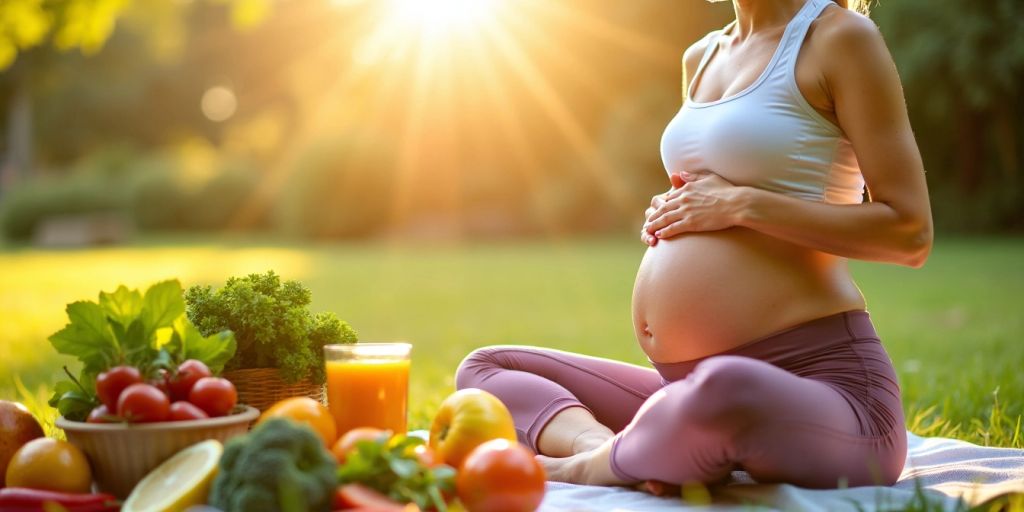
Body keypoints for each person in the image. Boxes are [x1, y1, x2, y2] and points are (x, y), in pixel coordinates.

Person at [454, 0, 933, 491]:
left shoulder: (841, 39)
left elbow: (909, 232)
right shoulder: (701, 56)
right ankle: (607, 447)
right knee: (487, 368)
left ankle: (586, 468)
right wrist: (678, 211)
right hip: (682, 387)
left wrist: (743, 205)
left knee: (724, 390)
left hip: (824, 387)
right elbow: (709, 194)